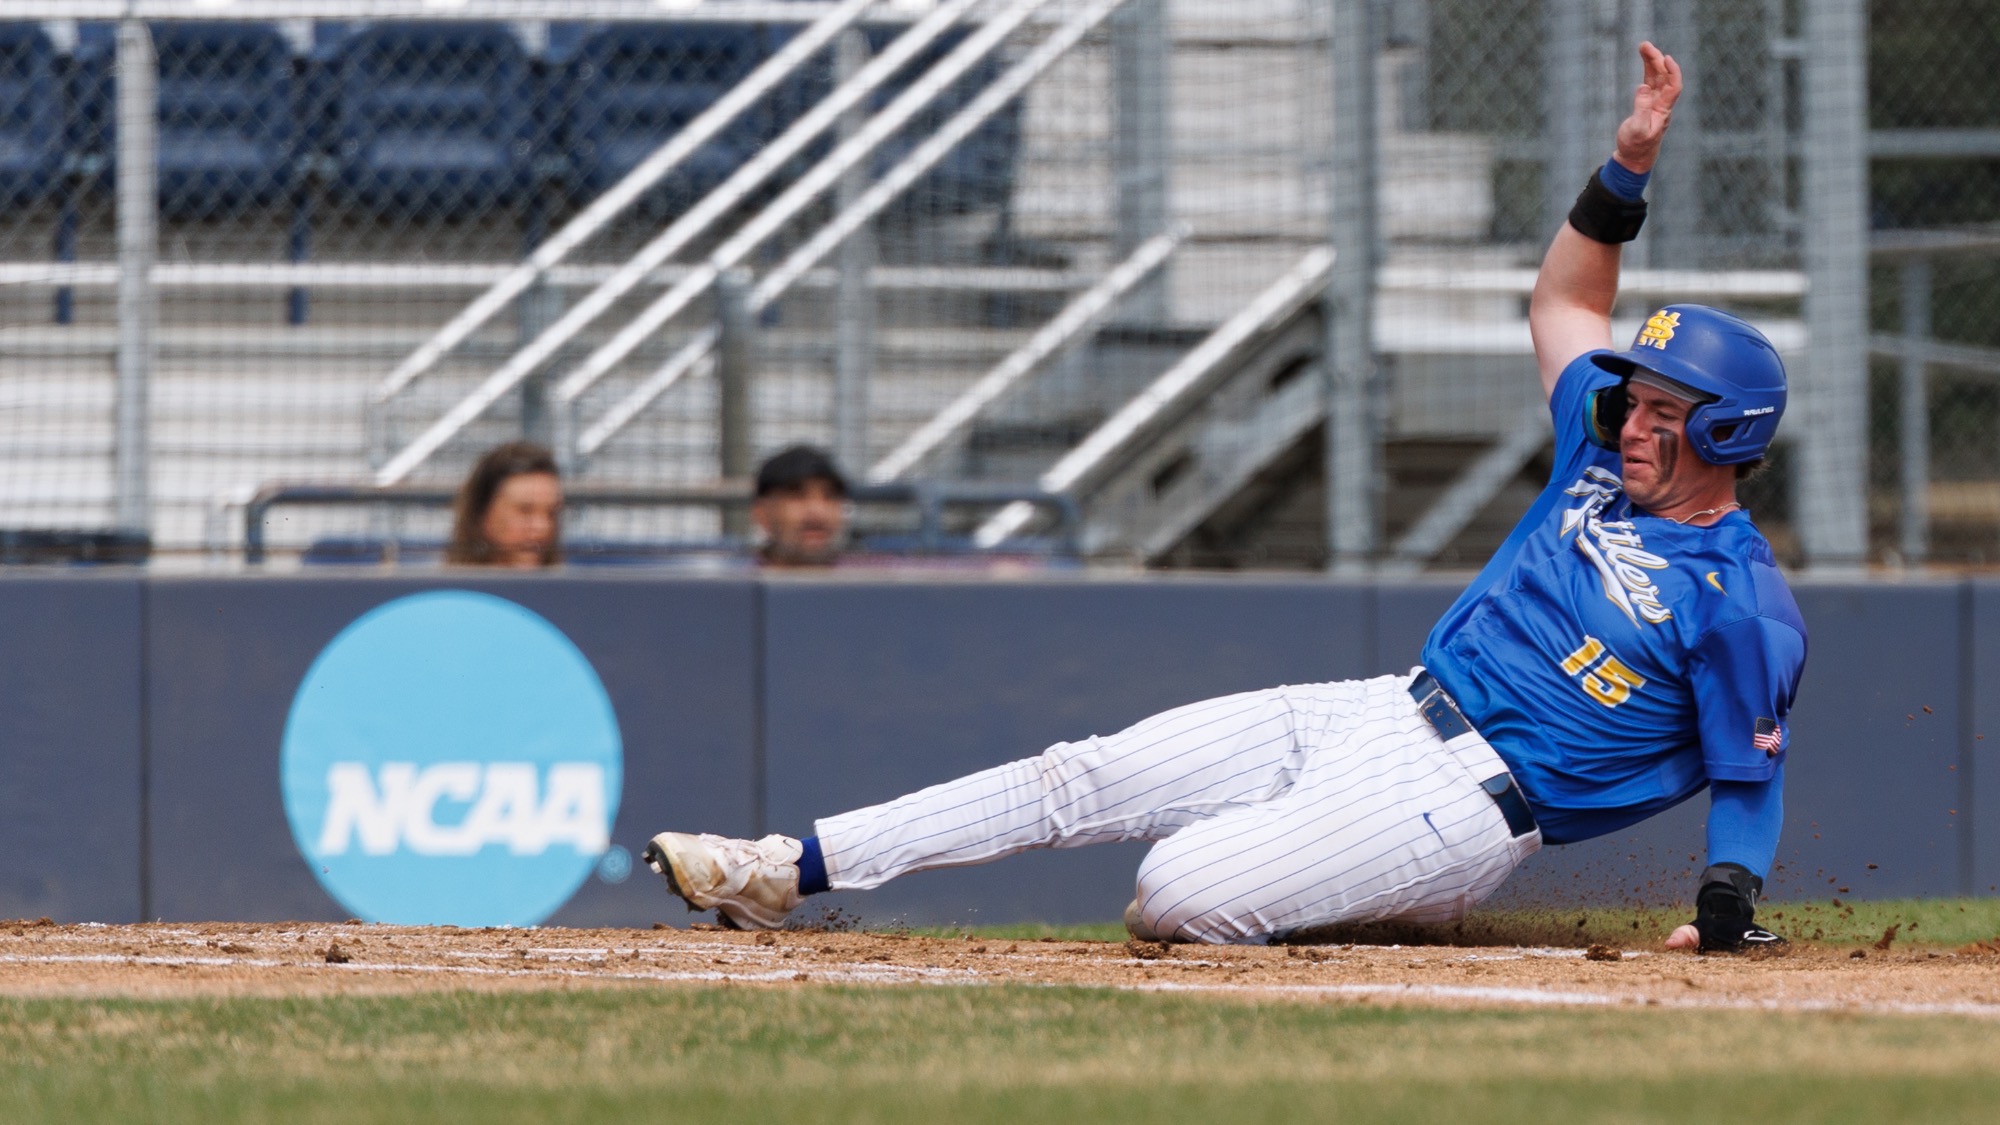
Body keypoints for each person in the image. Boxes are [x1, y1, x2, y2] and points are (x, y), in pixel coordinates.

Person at [645, 43, 1803, 953]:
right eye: (1635, 399)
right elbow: (1562, 303)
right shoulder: (1594, 460)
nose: (1633, 419)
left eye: (1664, 408)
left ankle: (1390, 884)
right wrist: (1626, 168)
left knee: (1174, 896)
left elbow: (1748, 774)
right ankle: (775, 871)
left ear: (1725, 431)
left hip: (1471, 799)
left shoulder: (1738, 600)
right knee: (1082, 773)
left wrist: (1721, 905)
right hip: (1383, 705)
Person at [445, 441, 563, 568]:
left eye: (551, 513)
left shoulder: (572, 586)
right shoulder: (442, 586)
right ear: (482, 514)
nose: (542, 527)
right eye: (525, 511)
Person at [753, 445, 848, 568]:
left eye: (829, 496)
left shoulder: (869, 578)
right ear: (761, 514)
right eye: (797, 496)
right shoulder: (733, 583)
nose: (817, 511)